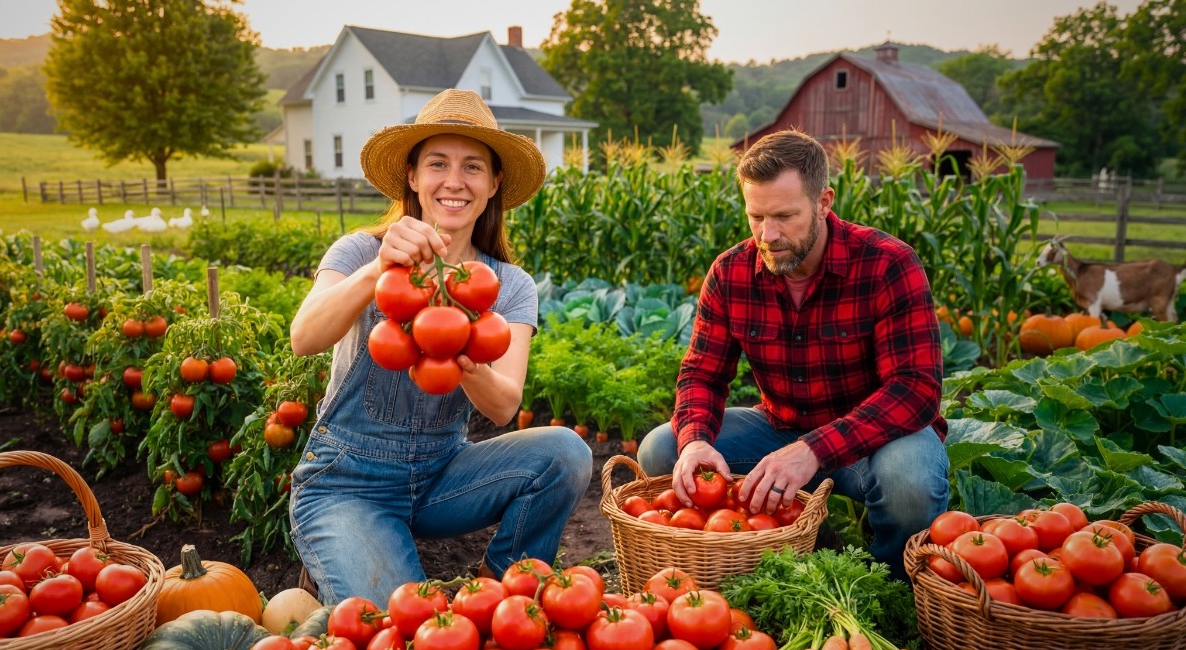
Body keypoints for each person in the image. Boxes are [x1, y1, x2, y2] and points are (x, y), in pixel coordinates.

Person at [287, 89, 592, 606]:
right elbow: (304, 337)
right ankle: (339, 550)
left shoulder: (507, 285)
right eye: (438, 163)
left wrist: (468, 360)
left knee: (565, 453)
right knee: (404, 626)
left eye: (473, 166)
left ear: (494, 183)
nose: (454, 181)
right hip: (348, 481)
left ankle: (502, 593)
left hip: (441, 475)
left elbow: (504, 406)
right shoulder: (361, 251)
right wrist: (378, 271)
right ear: (412, 176)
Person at [637, 129, 949, 577]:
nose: (768, 234)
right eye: (756, 217)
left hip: (876, 443)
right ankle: (812, 541)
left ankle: (889, 586)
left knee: (910, 482)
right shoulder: (730, 273)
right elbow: (702, 375)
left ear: (824, 202)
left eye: (785, 216)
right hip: (781, 430)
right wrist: (697, 441)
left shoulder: (887, 263)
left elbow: (915, 390)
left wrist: (813, 450)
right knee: (663, 450)